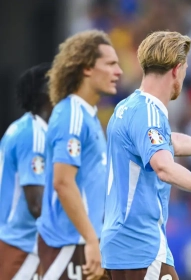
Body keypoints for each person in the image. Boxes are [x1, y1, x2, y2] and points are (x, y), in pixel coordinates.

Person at [100, 31, 191, 280]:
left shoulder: (129, 106)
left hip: (124, 242)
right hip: (140, 242)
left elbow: (166, 141)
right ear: (176, 69)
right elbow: (163, 166)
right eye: (185, 68)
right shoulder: (149, 112)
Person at [36, 30, 122, 280]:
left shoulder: (88, 116)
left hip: (85, 242)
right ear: (86, 68)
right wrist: (90, 239)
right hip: (68, 244)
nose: (119, 72)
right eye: (110, 64)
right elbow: (63, 182)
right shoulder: (71, 115)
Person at [0, 63, 52, 279]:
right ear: (46, 92)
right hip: (21, 243)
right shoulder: (34, 134)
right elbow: (36, 204)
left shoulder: (25, 127)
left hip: (16, 239)